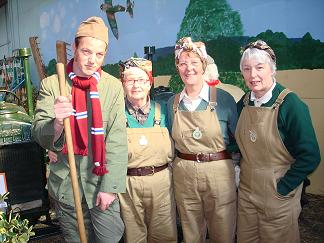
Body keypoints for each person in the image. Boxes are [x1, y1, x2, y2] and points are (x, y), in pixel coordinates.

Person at [32, 16, 128, 243]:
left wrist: (110, 187)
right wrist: (56, 122)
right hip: (67, 184)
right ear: (74, 47)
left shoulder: (112, 87)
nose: (92, 60)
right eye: (86, 52)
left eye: (99, 54)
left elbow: (116, 139)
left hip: (100, 183)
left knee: (110, 237)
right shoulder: (53, 85)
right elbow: (38, 133)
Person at [236, 39, 321, 243]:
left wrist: (284, 188)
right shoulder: (244, 103)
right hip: (247, 191)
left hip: (278, 192)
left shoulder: (291, 104)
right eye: (247, 69)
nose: (253, 75)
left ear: (272, 69)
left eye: (259, 67)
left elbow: (310, 156)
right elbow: (235, 139)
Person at [167, 37, 238, 243]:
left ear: (204, 65)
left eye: (194, 62)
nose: (189, 68)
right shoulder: (173, 103)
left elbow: (240, 139)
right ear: (178, 67)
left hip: (219, 173)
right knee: (191, 232)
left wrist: (239, 167)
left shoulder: (224, 99)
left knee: (223, 231)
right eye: (183, 63)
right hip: (184, 174)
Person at [118, 57, 177, 243]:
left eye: (142, 80)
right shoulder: (115, 114)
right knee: (133, 237)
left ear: (150, 83)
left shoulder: (165, 111)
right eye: (130, 80)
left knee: (164, 236)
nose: (136, 85)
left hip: (162, 184)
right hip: (127, 186)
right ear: (123, 83)